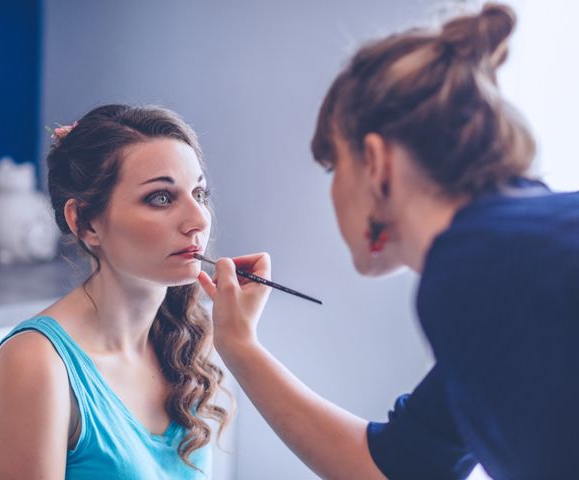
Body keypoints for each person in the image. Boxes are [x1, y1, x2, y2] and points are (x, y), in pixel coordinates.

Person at [196, 3, 579, 479]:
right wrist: (238, 345)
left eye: (334, 166)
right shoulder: (515, 259)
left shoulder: (473, 269)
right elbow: (401, 468)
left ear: (375, 163)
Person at [0, 104, 230, 479]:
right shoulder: (37, 365)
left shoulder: (180, 342)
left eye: (199, 194)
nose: (198, 221)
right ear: (85, 222)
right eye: (161, 197)